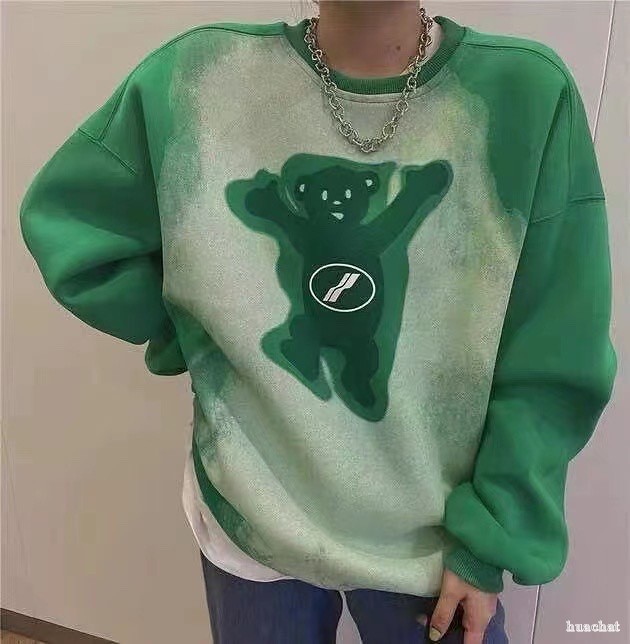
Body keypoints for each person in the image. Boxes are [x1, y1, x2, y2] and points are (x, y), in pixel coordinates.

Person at [18, 1, 617, 642]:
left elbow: (554, 352)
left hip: (435, 541)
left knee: (362, 363)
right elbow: (75, 228)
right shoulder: (193, 80)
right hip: (251, 515)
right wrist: (194, 331)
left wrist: (493, 534)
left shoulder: (527, 97)